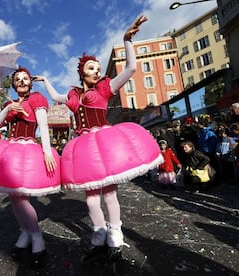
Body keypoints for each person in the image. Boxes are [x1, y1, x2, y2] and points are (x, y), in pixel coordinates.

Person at [34, 15, 162, 261]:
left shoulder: (105, 87)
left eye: (98, 67)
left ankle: (116, 236)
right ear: (81, 70)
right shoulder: (73, 94)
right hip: (83, 147)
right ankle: (99, 235)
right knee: (92, 200)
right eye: (91, 67)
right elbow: (58, 97)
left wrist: (127, 41)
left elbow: (131, 69)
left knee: (110, 194)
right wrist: (46, 81)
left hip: (103, 141)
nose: (96, 71)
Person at [0, 67, 61, 267]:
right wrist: (8, 110)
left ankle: (37, 236)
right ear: (13, 84)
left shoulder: (37, 99)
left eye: (25, 79)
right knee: (15, 199)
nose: (21, 81)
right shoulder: (10, 104)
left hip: (28, 149)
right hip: (10, 151)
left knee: (22, 199)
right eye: (17, 79)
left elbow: (43, 125)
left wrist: (47, 151)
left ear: (30, 83)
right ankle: (25, 232)